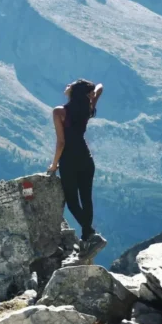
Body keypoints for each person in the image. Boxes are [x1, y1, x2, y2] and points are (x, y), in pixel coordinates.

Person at [47, 79, 103, 243]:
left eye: (70, 85)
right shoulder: (88, 107)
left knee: (72, 201)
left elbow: (61, 142)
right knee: (86, 198)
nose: (67, 85)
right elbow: (100, 87)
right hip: (86, 158)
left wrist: (54, 164)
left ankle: (90, 233)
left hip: (69, 161)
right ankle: (87, 236)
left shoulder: (59, 112)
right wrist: (92, 93)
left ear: (74, 91)